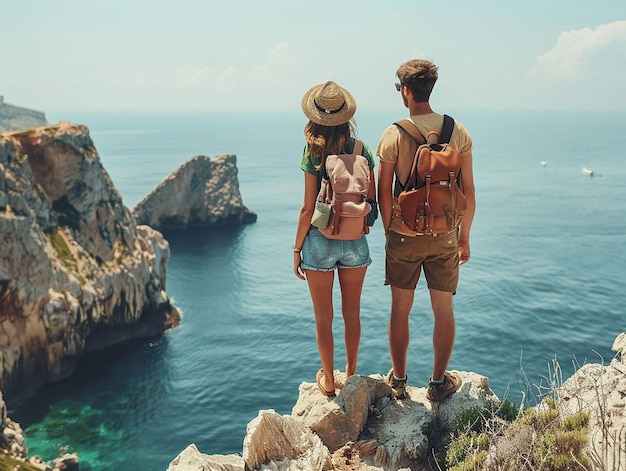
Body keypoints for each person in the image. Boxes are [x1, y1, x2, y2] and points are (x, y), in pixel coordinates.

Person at [376, 59, 476, 401]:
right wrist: (463, 237)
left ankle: (399, 381)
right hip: (446, 235)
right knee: (443, 309)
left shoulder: (394, 133)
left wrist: (392, 232)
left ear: (406, 91)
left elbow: (383, 192)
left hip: (404, 236)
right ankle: (437, 384)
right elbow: (469, 192)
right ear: (430, 88)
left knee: (400, 309)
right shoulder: (457, 131)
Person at [293, 81, 377, 397]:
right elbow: (371, 197)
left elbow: (307, 207)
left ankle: (328, 381)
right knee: (351, 313)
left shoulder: (313, 151)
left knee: (323, 318)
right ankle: (351, 374)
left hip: (318, 239)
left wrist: (296, 247)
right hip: (356, 239)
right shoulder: (361, 149)